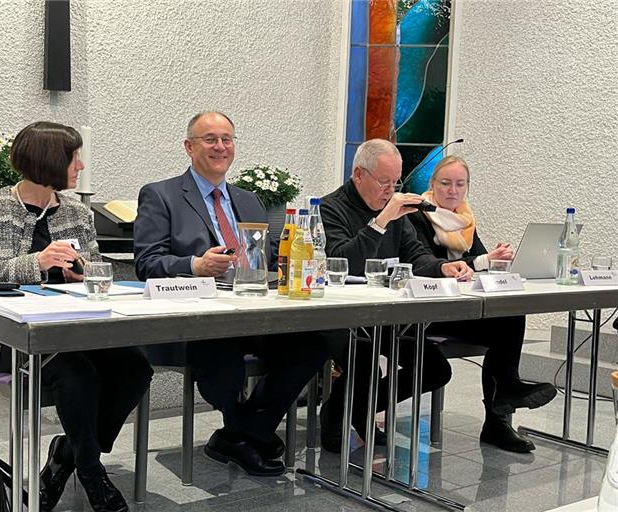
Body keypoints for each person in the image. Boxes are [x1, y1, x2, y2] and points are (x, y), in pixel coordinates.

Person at [0, 121, 153, 512]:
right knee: (74, 371)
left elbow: (96, 268)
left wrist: (84, 272)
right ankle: (91, 470)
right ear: (50, 161)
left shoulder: (78, 212)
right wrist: (36, 263)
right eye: (73, 158)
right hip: (9, 337)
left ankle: (69, 453)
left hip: (75, 329)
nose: (80, 166)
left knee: (135, 367)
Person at [319, 139, 555, 454]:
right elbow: (342, 261)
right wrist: (381, 221)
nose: (390, 190)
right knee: (430, 369)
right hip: (353, 315)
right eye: (384, 182)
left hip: (402, 314)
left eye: (396, 182)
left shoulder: (397, 210)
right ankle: (340, 409)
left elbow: (418, 257)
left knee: (502, 320)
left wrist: (445, 267)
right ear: (359, 175)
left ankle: (503, 401)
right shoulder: (333, 207)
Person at [133, 111, 327, 477]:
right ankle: (247, 434)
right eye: (210, 139)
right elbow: (147, 262)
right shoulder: (161, 195)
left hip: (252, 312)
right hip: (195, 320)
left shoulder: (249, 199)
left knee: (311, 346)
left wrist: (297, 256)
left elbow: (266, 258)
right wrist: (195, 265)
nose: (220, 146)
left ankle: (242, 433)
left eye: (227, 139)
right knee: (223, 359)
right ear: (189, 147)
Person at [408, 154, 557, 451]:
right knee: (506, 322)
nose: (452, 190)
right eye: (446, 183)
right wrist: (482, 261)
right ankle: (505, 397)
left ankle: (499, 416)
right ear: (432, 184)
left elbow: (478, 264)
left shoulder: (464, 219)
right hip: (425, 312)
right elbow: (424, 264)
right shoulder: (415, 215)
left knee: (510, 315)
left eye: (460, 184)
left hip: (458, 308)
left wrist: (497, 261)